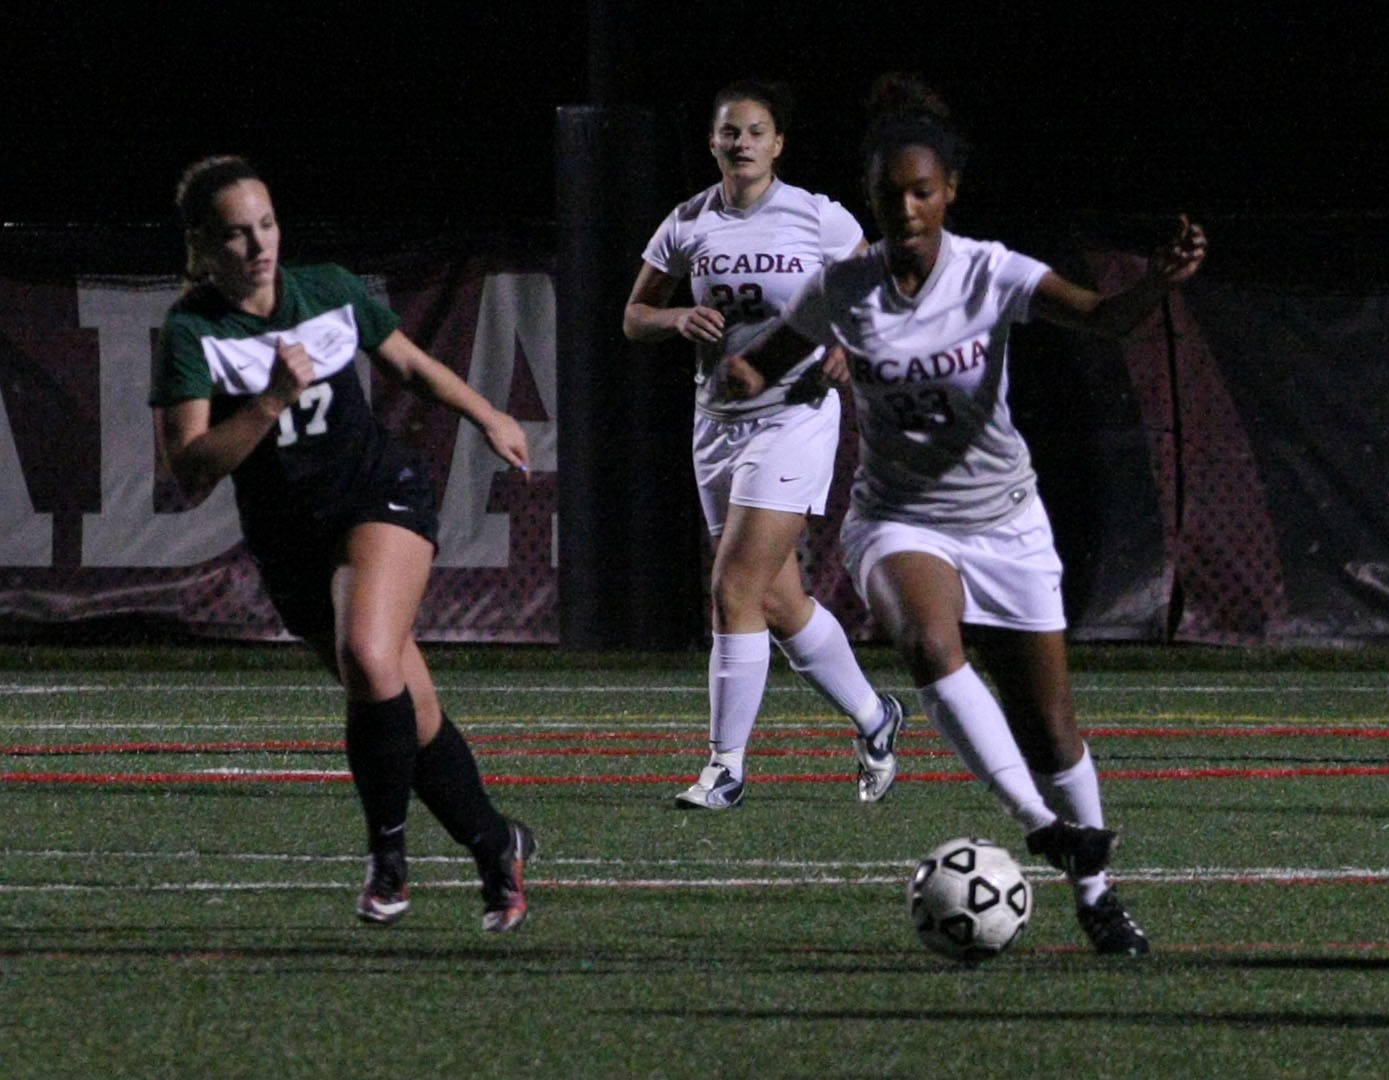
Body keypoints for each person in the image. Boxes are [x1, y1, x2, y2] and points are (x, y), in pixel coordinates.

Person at [723, 75, 1207, 955]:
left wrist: (1161, 286)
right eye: (890, 194)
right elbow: (765, 361)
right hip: (898, 518)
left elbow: (1104, 318)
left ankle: (1096, 893)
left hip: (1007, 518)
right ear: (871, 200)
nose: (907, 208)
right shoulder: (845, 286)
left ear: (949, 194)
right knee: (928, 644)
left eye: (923, 191)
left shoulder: (990, 271)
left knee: (1053, 727)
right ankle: (1035, 822)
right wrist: (742, 377)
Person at [151, 156, 537, 931]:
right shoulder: (193, 331)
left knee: (367, 653)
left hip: (375, 495)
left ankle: (387, 862)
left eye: (266, 224)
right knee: (405, 702)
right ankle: (497, 844)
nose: (259, 245)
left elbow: (415, 369)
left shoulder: (326, 288)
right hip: (290, 539)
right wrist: (267, 404)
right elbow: (192, 472)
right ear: (202, 244)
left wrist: (489, 415)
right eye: (235, 233)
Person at [622, 79, 908, 811]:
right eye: (729, 132)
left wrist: (850, 345)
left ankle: (725, 768)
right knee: (778, 602)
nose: (741, 142)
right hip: (716, 422)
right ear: (714, 143)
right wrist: (676, 317)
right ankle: (877, 720)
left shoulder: (817, 216)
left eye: (755, 131)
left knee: (732, 589)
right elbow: (633, 317)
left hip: (796, 418)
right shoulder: (687, 223)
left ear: (778, 143)